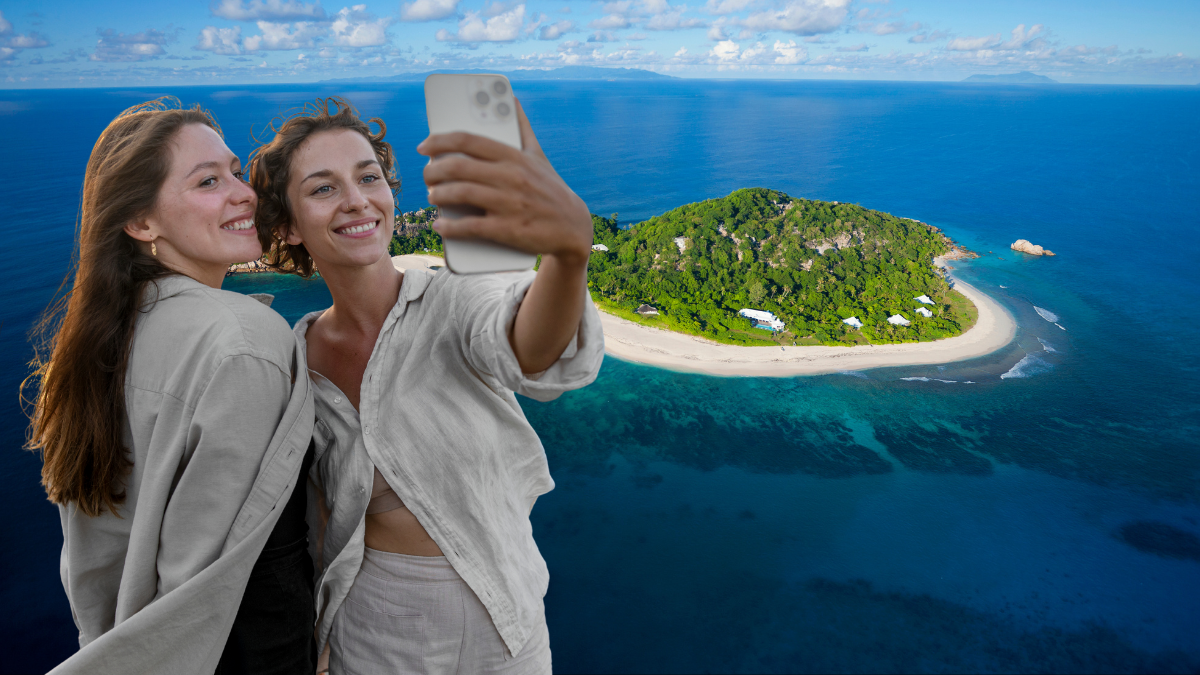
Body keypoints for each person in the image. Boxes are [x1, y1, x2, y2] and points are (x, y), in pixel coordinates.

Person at [248, 96, 603, 674]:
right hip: (367, 630)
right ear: (286, 226)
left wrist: (567, 255)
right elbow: (311, 514)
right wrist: (318, 641)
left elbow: (528, 350)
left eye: (369, 177)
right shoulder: (293, 356)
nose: (358, 200)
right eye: (323, 188)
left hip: (501, 624)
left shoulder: (454, 296)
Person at [24, 98, 316, 674]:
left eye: (235, 170)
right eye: (209, 181)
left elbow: (92, 564)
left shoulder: (98, 342)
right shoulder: (244, 340)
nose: (243, 192)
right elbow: (229, 584)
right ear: (140, 222)